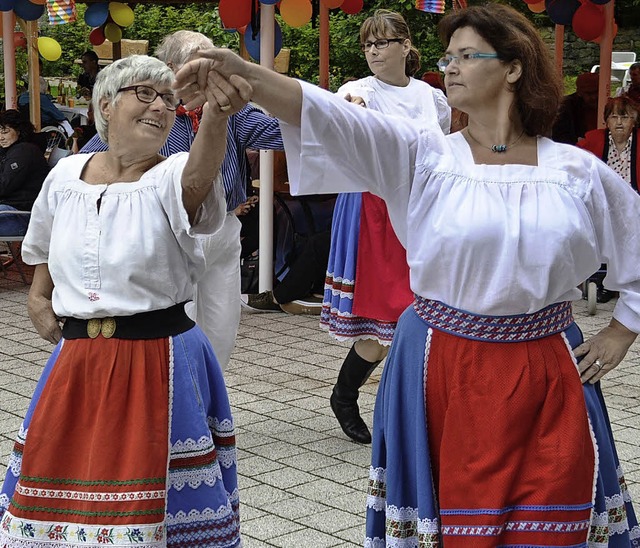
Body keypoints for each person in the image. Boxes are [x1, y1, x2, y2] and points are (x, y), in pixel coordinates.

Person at [174, 3, 640, 545]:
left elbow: (634, 239)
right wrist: (246, 75)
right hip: (441, 361)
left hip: (545, 368)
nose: (452, 67)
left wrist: (623, 327)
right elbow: (331, 114)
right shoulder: (422, 155)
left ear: (514, 67)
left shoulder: (576, 171)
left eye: (468, 55)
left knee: (552, 522)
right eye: (448, 57)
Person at [0, 55, 246, 547]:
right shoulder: (66, 173)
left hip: (160, 358)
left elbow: (197, 182)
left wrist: (216, 117)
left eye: (170, 100)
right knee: (65, 496)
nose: (161, 107)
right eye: (146, 93)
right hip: (78, 359)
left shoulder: (170, 175)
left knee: (157, 504)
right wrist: (37, 295)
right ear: (106, 105)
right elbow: (43, 243)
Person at [81, 30, 284, 370]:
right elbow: (89, 163)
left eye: (215, 59)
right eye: (202, 60)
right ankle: (173, 406)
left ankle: (207, 405)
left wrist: (334, 113)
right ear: (173, 67)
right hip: (169, 234)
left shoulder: (228, 108)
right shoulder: (151, 115)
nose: (212, 69)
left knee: (221, 328)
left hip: (223, 231)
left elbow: (277, 132)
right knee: (174, 329)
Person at [320, 9, 450, 444]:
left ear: (406, 46)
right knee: (386, 317)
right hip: (372, 209)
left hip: (420, 206)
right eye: (368, 44)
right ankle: (348, 397)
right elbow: (341, 116)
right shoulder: (358, 90)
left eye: (383, 42)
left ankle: (401, 409)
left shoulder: (431, 97)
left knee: (419, 314)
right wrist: (351, 110)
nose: (373, 51)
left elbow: (439, 148)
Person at [578, 95, 640, 303]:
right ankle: (600, 280)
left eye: (625, 117)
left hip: (634, 202)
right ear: (606, 121)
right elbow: (578, 169)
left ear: (635, 120)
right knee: (597, 229)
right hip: (602, 202)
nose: (620, 123)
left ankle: (630, 281)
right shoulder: (594, 140)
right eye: (614, 117)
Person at [0, 110, 50, 237]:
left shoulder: (23, 152)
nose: (1, 137)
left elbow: (4, 186)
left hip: (20, 216)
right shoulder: (16, 150)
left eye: (5, 132)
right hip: (15, 210)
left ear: (19, 130)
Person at [552, 71, 600, 144]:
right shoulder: (566, 107)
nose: (594, 97)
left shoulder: (608, 105)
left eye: (596, 92)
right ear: (579, 92)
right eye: (589, 93)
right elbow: (560, 136)